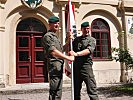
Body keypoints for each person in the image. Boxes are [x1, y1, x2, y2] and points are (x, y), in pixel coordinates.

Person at [42, 16, 74, 100]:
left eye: (58, 23)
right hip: (54, 66)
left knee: (58, 90)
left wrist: (68, 41)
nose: (57, 25)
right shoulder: (48, 36)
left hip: (59, 66)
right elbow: (53, 52)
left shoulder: (55, 37)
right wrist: (68, 58)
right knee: (55, 90)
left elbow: (61, 50)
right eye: (55, 23)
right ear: (50, 25)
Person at [69, 21, 99, 100]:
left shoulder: (91, 40)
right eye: (85, 28)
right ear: (81, 29)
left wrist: (77, 54)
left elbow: (89, 50)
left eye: (88, 28)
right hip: (76, 68)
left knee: (92, 89)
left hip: (86, 67)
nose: (87, 30)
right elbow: (68, 48)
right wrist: (69, 39)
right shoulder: (76, 40)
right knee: (76, 91)